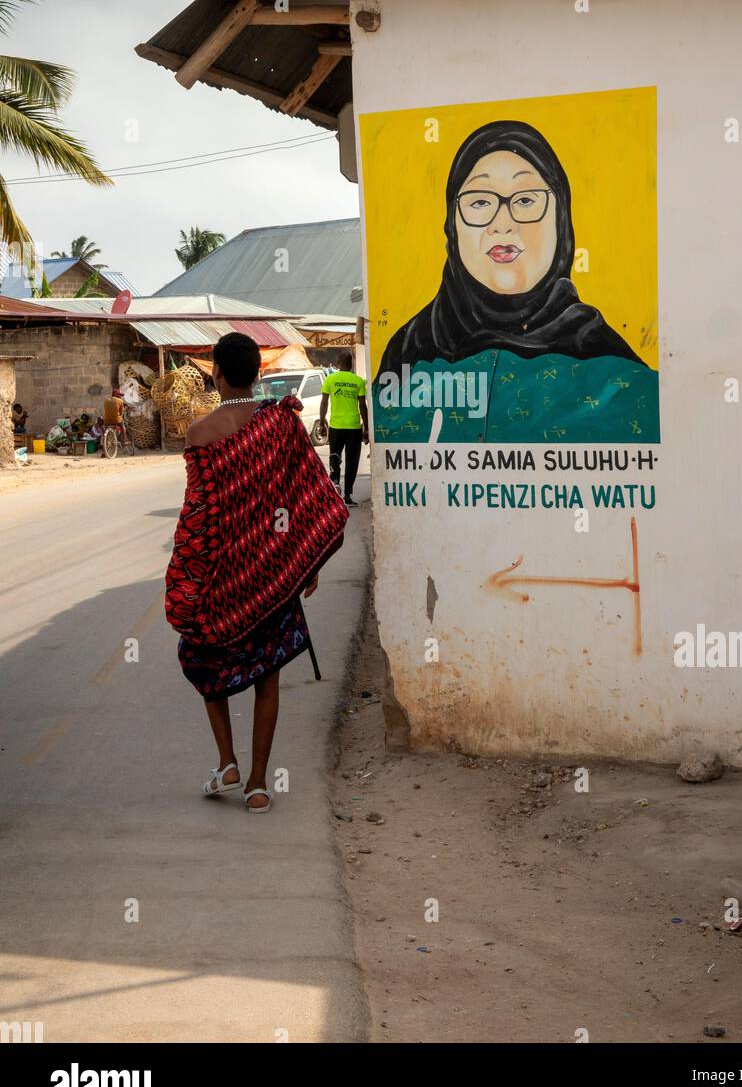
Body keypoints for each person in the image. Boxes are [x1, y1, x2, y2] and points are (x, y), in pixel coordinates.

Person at [373, 120, 659, 444]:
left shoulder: (611, 365)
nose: (503, 223)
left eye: (525, 200)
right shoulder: (411, 349)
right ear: (451, 225)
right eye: (479, 202)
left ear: (560, 217)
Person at [166, 332, 348, 814]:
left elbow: (195, 520)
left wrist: (186, 574)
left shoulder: (200, 434)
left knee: (204, 659)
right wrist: (303, 558)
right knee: (268, 675)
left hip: (221, 581)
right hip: (272, 575)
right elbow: (308, 489)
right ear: (258, 372)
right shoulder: (279, 423)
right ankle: (258, 784)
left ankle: (226, 759)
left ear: (218, 374)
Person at [319, 350, 368, 506]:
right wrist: (366, 427)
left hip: (336, 426)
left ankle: (335, 487)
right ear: (351, 364)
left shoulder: (330, 379)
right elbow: (362, 405)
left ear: (339, 364)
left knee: (335, 457)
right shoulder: (358, 381)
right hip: (353, 427)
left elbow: (324, 402)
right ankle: (347, 495)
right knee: (352, 461)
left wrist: (322, 422)